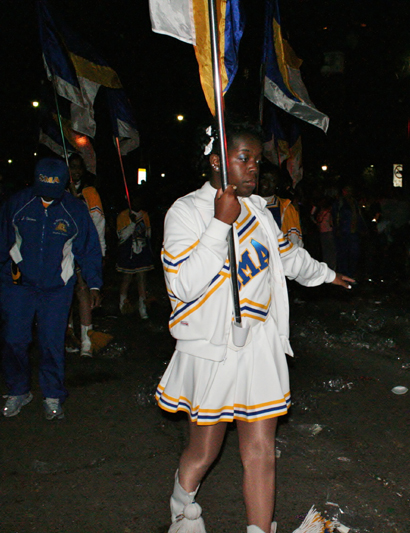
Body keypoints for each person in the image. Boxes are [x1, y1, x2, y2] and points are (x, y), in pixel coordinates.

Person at [155, 123, 353, 533]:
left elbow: (287, 257)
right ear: (216, 161)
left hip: (259, 341)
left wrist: (326, 274)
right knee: (204, 450)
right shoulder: (187, 210)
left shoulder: (260, 210)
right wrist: (218, 225)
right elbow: (183, 285)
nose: (253, 169)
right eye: (242, 159)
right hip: (213, 347)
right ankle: (181, 504)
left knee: (262, 450)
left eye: (256, 160)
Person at [0, 158, 102, 420]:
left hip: (56, 287)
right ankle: (18, 390)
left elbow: (89, 248)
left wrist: (94, 284)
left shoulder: (74, 209)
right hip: (17, 284)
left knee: (51, 342)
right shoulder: (19, 203)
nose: (48, 196)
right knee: (13, 340)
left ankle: (53, 394)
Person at [67, 153, 106, 356]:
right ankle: (69, 336)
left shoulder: (90, 192)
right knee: (64, 295)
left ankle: (86, 342)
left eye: (78, 167)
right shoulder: (58, 190)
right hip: (62, 251)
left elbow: (97, 224)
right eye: (71, 167)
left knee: (83, 291)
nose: (75, 171)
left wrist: (100, 251)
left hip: (83, 249)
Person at [116, 195, 154, 319]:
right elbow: (121, 236)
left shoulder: (144, 215)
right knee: (127, 278)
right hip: (128, 252)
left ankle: (143, 308)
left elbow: (148, 234)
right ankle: (123, 305)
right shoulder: (123, 215)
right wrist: (132, 224)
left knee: (142, 279)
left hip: (142, 251)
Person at [257, 164, 303, 249]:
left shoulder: (286, 208)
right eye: (264, 178)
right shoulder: (245, 204)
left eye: (272, 180)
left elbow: (295, 241)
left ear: (277, 184)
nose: (266, 183)